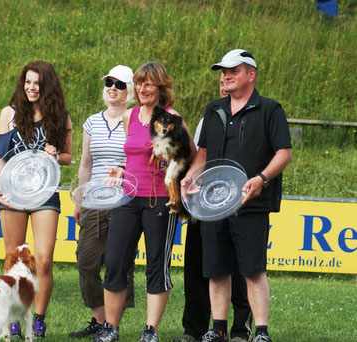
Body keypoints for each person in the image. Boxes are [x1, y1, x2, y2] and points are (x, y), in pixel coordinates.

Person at [181, 49, 292, 342]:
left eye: (233, 70)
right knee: (216, 269)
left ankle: (261, 332)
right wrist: (192, 175)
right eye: (223, 72)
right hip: (213, 202)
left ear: (251, 74)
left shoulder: (270, 109)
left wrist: (262, 178)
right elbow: (203, 152)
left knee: (253, 270)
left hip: (251, 203)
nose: (226, 76)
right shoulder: (213, 109)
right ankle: (217, 329)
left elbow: (284, 153)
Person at [96, 62, 196, 342]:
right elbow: (133, 155)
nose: (142, 89)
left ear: (161, 88)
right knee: (115, 261)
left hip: (159, 201)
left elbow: (191, 154)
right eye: (139, 84)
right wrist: (121, 169)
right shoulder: (129, 116)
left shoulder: (171, 117)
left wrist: (181, 179)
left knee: (156, 264)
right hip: (128, 198)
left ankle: (150, 331)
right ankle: (110, 329)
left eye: (148, 84)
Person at [0, 60, 72, 338]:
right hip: (12, 191)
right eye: (27, 82)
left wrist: (55, 155)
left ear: (47, 86)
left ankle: (38, 319)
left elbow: (68, 157)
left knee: (44, 259)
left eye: (36, 83)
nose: (31, 88)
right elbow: (1, 155)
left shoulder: (61, 117)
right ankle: (14, 316)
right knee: (13, 260)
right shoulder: (9, 113)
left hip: (46, 192)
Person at [174, 73, 253, 342]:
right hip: (204, 203)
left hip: (236, 202)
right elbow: (200, 155)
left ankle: (241, 329)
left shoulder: (251, 118)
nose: (223, 86)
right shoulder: (209, 116)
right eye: (220, 83)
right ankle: (193, 329)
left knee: (239, 268)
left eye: (228, 81)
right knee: (197, 266)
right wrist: (189, 180)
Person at [68, 65, 136, 339]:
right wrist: (79, 199)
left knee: (118, 263)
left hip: (123, 200)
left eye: (119, 84)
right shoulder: (92, 122)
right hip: (94, 200)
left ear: (129, 90)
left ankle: (111, 327)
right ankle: (101, 321)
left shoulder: (135, 118)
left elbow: (138, 158)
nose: (112, 88)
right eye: (109, 82)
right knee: (86, 261)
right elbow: (86, 163)